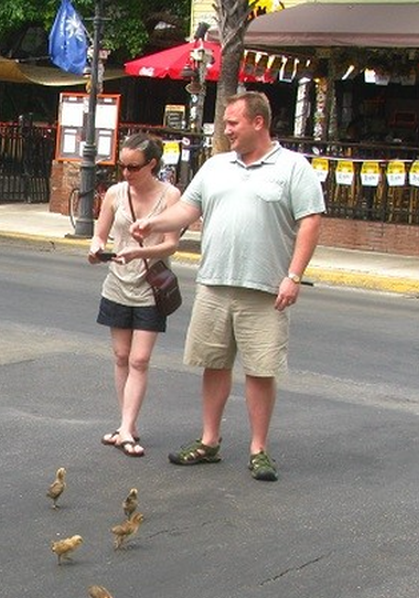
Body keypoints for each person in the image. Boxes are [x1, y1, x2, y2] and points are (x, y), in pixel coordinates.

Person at [130, 91, 325, 482]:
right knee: (214, 364)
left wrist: (294, 275)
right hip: (215, 284)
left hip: (265, 288)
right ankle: (209, 441)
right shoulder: (216, 166)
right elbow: (189, 209)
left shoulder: (293, 167)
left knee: (260, 369)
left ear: (258, 122)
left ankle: (259, 450)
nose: (226, 129)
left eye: (233, 123)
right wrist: (155, 224)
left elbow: (311, 220)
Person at [87, 133, 181, 458]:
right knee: (121, 357)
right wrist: (96, 249)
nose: (126, 173)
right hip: (117, 283)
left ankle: (126, 429)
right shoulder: (115, 193)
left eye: (133, 167)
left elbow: (171, 244)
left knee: (140, 360)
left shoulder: (170, 196)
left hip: (149, 285)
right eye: (122, 166)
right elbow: (99, 234)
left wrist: (140, 253)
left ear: (152, 164)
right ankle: (127, 424)